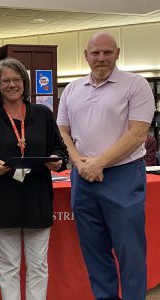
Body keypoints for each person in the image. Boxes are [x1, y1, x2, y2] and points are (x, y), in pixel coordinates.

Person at [57, 32, 154, 300]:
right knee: (94, 251)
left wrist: (99, 162)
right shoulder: (72, 90)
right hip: (83, 179)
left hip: (122, 176)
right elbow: (62, 131)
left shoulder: (136, 85)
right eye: (96, 53)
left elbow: (137, 134)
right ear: (86, 55)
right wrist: (78, 163)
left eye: (107, 52)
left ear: (118, 53)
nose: (101, 58)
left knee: (130, 251)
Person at [0, 57, 68, 300]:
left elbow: (61, 149)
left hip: (37, 200)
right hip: (3, 201)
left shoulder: (43, 114)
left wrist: (57, 160)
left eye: (16, 79)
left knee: (38, 267)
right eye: (5, 80)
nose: (11, 84)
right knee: (8, 268)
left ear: (24, 83)